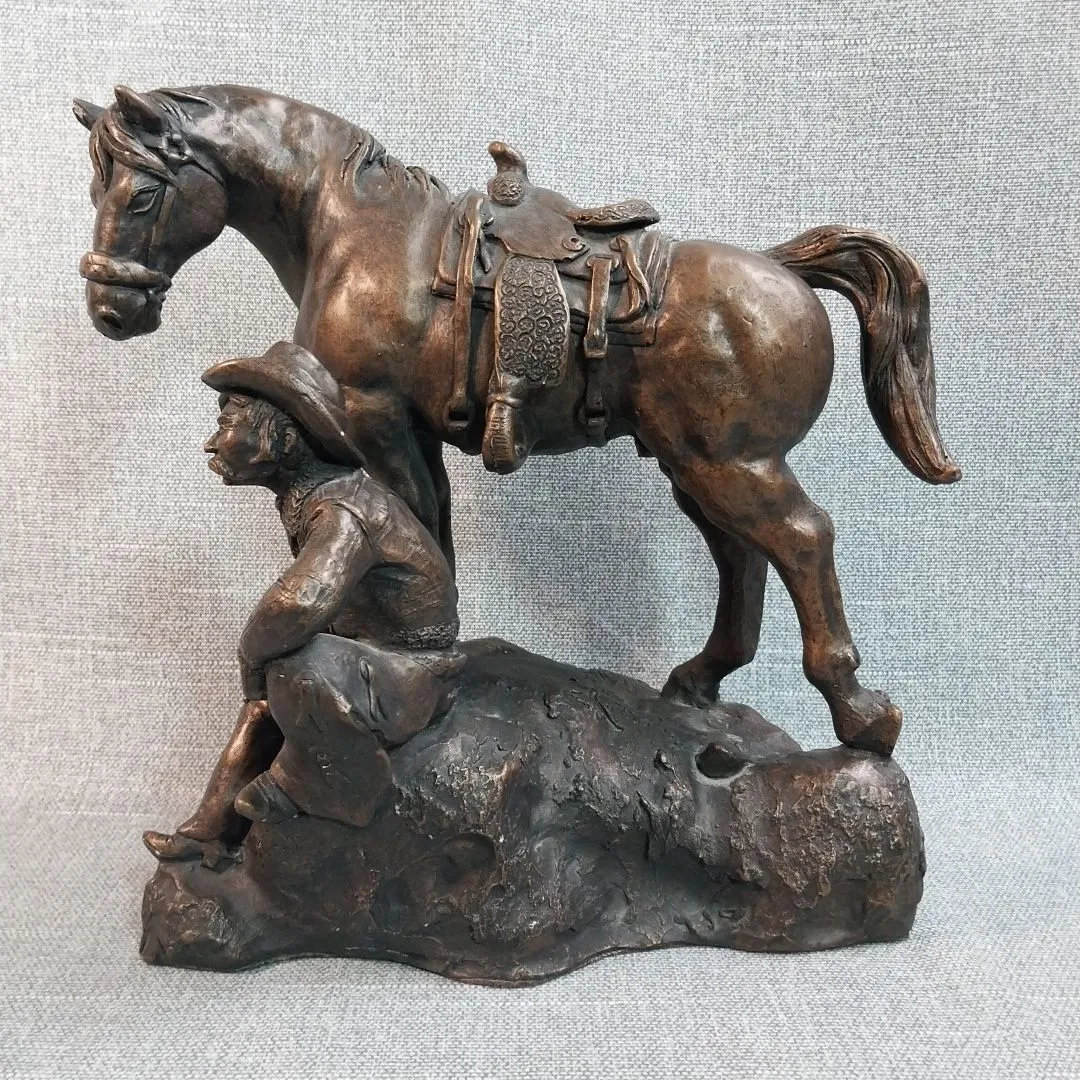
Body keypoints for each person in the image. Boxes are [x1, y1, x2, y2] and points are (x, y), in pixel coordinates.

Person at [143, 341, 463, 867]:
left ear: (284, 439)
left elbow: (300, 601)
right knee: (266, 698)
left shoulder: (344, 508)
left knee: (291, 663)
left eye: (228, 424)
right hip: (370, 655)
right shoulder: (317, 497)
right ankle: (211, 831)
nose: (211, 442)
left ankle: (338, 787)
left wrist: (252, 655)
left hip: (411, 670)